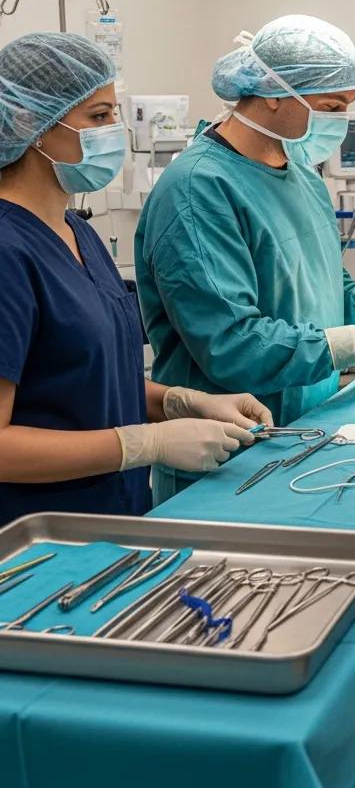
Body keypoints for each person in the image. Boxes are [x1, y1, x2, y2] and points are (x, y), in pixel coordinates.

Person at [135, 15, 355, 504]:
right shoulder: (198, 191)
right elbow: (232, 346)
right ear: (274, 94)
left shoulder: (298, 168)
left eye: (347, 104)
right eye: (330, 106)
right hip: (230, 456)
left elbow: (320, 284)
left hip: (309, 430)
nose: (342, 120)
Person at [0, 33, 270, 525]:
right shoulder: (8, 252)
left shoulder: (77, 232)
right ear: (27, 123)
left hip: (116, 516)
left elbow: (83, 379)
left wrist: (177, 402)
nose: (116, 132)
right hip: (37, 539)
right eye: (98, 117)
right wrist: (145, 444)